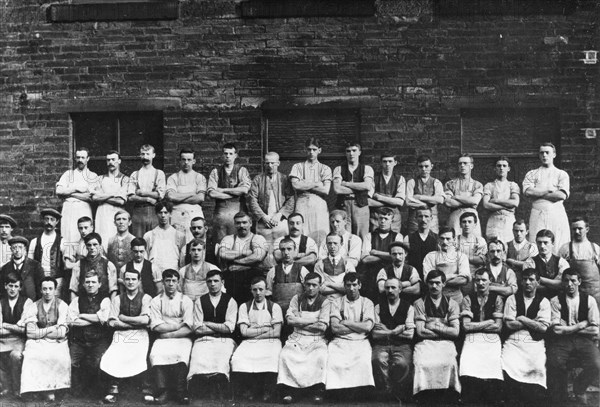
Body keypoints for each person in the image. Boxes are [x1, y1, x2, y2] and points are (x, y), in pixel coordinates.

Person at [547, 268, 600, 404]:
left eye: (573, 281)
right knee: (555, 363)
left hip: (583, 340)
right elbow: (557, 330)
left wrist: (568, 328)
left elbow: (594, 330)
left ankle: (579, 388)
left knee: (597, 364)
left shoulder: (590, 300)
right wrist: (580, 325)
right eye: (566, 281)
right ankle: (561, 396)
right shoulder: (555, 301)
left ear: (579, 282)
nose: (569, 284)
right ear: (563, 283)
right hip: (562, 341)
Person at [100, 269, 152, 404]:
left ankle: (146, 389)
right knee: (113, 353)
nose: (130, 282)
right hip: (121, 333)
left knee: (140, 354)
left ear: (139, 281)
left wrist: (123, 318)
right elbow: (112, 322)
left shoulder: (146, 298)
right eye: (127, 279)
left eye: (134, 279)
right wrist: (133, 323)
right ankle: (113, 388)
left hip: (140, 334)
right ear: (124, 281)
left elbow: (145, 320)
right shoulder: (117, 299)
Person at [277, 272, 330, 404]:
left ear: (320, 286)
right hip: (297, 337)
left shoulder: (325, 301)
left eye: (314, 285)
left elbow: (322, 326)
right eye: (308, 285)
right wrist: (312, 321)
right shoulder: (296, 299)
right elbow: (289, 320)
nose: (311, 288)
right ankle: (289, 391)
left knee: (320, 355)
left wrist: (300, 320)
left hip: (316, 338)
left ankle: (317, 391)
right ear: (304, 285)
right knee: (286, 354)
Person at [501, 268, 551, 404]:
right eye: (525, 279)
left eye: (531, 279)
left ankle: (532, 399)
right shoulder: (512, 299)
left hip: (535, 342)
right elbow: (509, 325)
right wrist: (533, 321)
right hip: (514, 340)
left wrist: (522, 318)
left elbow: (543, 328)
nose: (528, 282)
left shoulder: (544, 301)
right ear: (521, 282)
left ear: (538, 282)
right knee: (507, 361)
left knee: (538, 365)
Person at [188, 270, 237, 401]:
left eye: (216, 281)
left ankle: (220, 391)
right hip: (203, 339)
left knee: (221, 359)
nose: (213, 284)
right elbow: (198, 329)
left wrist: (208, 323)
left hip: (224, 340)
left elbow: (229, 328)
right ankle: (200, 392)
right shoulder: (200, 301)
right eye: (209, 281)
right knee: (198, 357)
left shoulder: (230, 301)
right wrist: (219, 328)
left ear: (222, 282)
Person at [231, 276, 283, 402]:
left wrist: (255, 334)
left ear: (266, 290)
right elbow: (243, 332)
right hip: (250, 340)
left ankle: (268, 390)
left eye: (261, 289)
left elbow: (276, 332)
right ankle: (250, 389)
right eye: (255, 290)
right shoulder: (245, 306)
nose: (258, 293)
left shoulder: (274, 307)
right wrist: (264, 330)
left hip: (270, 340)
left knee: (272, 356)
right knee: (239, 357)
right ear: (251, 290)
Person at [413, 270, 461, 400]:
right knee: (421, 362)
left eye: (437, 283)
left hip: (445, 343)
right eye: (431, 283)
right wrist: (445, 330)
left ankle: (449, 394)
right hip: (425, 343)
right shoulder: (419, 303)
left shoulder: (452, 304)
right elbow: (420, 331)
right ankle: (423, 394)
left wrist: (434, 326)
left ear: (444, 284)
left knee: (450, 362)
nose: (434, 286)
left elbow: (455, 332)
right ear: (427, 284)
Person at [148, 269, 194, 405]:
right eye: (167, 281)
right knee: (156, 355)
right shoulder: (157, 301)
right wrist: (175, 326)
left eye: (174, 281)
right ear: (163, 282)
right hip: (162, 337)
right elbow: (156, 326)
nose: (171, 284)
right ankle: (164, 391)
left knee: (182, 355)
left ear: (178, 282)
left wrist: (170, 334)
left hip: (180, 337)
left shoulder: (185, 300)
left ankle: (180, 391)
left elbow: (188, 326)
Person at [20, 277, 70, 402]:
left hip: (57, 342)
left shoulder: (62, 305)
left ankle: (51, 389)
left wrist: (40, 332)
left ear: (55, 290)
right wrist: (50, 329)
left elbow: (62, 332)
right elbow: (30, 333)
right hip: (38, 341)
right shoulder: (34, 306)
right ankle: (35, 389)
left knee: (58, 356)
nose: (47, 292)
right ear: (41, 290)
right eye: (44, 289)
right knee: (32, 355)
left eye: (50, 289)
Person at [459, 268, 504, 403]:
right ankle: (471, 393)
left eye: (484, 280)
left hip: (492, 338)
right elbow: (466, 326)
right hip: (473, 338)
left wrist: (477, 325)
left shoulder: (497, 299)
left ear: (489, 281)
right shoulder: (467, 299)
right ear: (474, 282)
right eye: (478, 280)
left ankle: (491, 394)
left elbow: (498, 327)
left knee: (493, 360)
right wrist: (488, 322)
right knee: (467, 358)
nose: (481, 283)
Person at [326, 272, 375, 394]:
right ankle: (337, 392)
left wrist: (347, 322)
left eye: (354, 285)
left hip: (361, 340)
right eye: (348, 285)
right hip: (340, 340)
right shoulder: (337, 302)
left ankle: (360, 392)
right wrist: (358, 326)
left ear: (360, 285)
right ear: (344, 286)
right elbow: (335, 328)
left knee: (363, 359)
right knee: (333, 357)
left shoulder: (367, 303)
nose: (351, 288)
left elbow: (368, 327)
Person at [67, 270, 111, 396]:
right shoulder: (77, 300)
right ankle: (78, 390)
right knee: (71, 362)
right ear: (84, 285)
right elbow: (72, 321)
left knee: (97, 361)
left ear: (99, 284)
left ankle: (97, 391)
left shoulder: (105, 300)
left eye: (93, 282)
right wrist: (95, 319)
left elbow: (104, 318)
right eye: (88, 282)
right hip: (79, 341)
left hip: (98, 341)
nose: (90, 285)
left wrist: (82, 315)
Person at [371, 277, 415, 401]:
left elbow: (409, 335)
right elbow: (375, 334)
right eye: (387, 288)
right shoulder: (378, 307)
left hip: (402, 346)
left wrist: (385, 330)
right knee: (378, 360)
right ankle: (386, 391)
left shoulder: (409, 308)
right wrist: (395, 331)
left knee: (402, 363)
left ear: (400, 289)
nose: (390, 290)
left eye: (393, 287)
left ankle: (398, 391)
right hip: (381, 345)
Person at [248, 152, 295, 265]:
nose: (270, 165)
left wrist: (279, 215)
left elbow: (291, 199)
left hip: (280, 221)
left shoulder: (284, 179)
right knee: (263, 251)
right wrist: (263, 217)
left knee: (281, 250)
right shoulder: (258, 179)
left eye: (273, 163)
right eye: (267, 163)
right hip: (263, 221)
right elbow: (252, 200)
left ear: (278, 163)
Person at [523, 142, 570, 250]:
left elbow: (561, 195)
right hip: (537, 213)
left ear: (554, 154)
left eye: (547, 152)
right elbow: (528, 192)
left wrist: (538, 194)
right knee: (536, 245)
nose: (544, 155)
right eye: (542, 153)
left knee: (558, 244)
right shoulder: (532, 173)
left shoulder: (561, 174)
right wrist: (547, 191)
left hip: (556, 214)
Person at [289, 138, 332, 246]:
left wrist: (305, 183)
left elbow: (325, 190)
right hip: (302, 202)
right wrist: (316, 183)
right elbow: (296, 185)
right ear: (305, 150)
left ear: (319, 150)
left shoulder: (325, 168)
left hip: (319, 203)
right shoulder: (297, 167)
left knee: (319, 233)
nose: (311, 152)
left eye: (314, 149)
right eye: (309, 149)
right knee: (302, 231)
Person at [218, 211, 268, 304]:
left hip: (253, 281)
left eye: (244, 222)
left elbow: (258, 257)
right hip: (233, 282)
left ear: (250, 223)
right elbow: (223, 254)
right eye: (238, 223)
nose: (241, 226)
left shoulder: (258, 238)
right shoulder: (228, 239)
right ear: (234, 224)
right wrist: (246, 252)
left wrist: (238, 263)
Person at [207, 143, 251, 245]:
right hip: (220, 216)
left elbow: (244, 190)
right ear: (222, 155)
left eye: (231, 153)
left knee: (239, 244)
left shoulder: (241, 170)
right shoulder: (215, 172)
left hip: (239, 214)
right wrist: (235, 193)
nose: (228, 156)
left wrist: (222, 190)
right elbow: (212, 193)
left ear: (235, 155)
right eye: (225, 153)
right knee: (220, 245)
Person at [56, 147, 98, 249]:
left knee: (82, 238)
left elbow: (90, 197)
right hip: (68, 210)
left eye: (83, 157)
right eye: (78, 157)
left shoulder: (93, 176)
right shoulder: (68, 174)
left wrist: (69, 193)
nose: (80, 160)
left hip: (83, 209)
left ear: (88, 159)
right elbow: (59, 191)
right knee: (67, 237)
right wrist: (76, 188)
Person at [359, 207, 403, 301]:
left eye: (386, 219)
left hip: (390, 274)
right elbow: (365, 259)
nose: (383, 221)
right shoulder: (369, 236)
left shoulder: (398, 236)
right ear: (377, 220)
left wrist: (375, 252)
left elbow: (398, 257)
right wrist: (388, 256)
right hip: (371, 274)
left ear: (391, 221)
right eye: (380, 218)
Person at [333, 142, 374, 240]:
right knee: (343, 235)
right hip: (343, 205)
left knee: (362, 235)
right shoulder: (338, 169)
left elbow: (367, 186)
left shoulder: (367, 169)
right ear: (345, 153)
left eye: (354, 150)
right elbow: (337, 189)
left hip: (360, 205)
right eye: (348, 151)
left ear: (359, 152)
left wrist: (346, 183)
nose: (351, 154)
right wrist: (359, 188)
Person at [0, 273, 32, 397]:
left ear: (20, 287)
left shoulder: (27, 302)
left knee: (16, 356)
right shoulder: (1, 302)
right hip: (2, 339)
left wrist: (5, 325)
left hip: (20, 340)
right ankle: (6, 386)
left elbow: (25, 330)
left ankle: (17, 388)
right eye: (10, 286)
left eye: (16, 286)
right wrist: (16, 327)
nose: (13, 289)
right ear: (5, 286)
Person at [166, 148, 207, 240]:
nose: (186, 162)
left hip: (195, 215)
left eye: (189, 160)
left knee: (197, 245)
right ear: (180, 161)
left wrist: (179, 196)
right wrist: (191, 194)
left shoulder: (199, 177)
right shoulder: (173, 178)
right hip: (177, 215)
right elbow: (171, 196)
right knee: (177, 244)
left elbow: (200, 198)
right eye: (183, 159)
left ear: (194, 161)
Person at [558, 216, 600, 305]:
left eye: (580, 228)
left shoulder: (595, 249)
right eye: (574, 229)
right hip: (572, 295)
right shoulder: (565, 249)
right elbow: (559, 274)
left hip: (594, 294)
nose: (577, 232)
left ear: (587, 229)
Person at [422, 227, 470, 304]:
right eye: (442, 238)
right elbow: (428, 279)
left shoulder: (461, 256)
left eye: (448, 239)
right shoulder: (430, 256)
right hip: (435, 297)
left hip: (456, 298)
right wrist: (451, 276)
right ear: (438, 239)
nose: (445, 242)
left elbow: (463, 280)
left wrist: (438, 281)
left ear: (454, 240)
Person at [92, 150, 129, 249]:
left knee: (116, 244)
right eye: (108, 160)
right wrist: (114, 194)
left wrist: (102, 197)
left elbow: (121, 201)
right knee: (102, 242)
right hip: (102, 214)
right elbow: (95, 197)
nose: (111, 162)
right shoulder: (100, 179)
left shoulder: (125, 179)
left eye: (113, 159)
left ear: (119, 161)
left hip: (117, 214)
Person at [127, 144, 166, 238]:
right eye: (143, 154)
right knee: (139, 241)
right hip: (138, 212)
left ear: (153, 155)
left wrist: (142, 193)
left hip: (154, 211)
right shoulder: (134, 174)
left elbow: (160, 194)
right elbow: (131, 196)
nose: (145, 157)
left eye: (148, 154)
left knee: (155, 240)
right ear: (140, 155)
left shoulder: (159, 173)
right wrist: (148, 199)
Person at [443, 154, 483, 237]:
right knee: (454, 243)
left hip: (472, 218)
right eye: (460, 163)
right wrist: (469, 201)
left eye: (465, 163)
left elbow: (475, 201)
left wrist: (457, 197)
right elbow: (448, 203)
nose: (462, 165)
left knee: (473, 243)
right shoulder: (450, 184)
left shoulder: (477, 184)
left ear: (471, 166)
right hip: (455, 217)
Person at [69, 233, 118, 301]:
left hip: (103, 305)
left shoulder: (108, 265)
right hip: (83, 304)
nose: (92, 247)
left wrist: (111, 307)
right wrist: (74, 306)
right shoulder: (79, 264)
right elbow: (73, 289)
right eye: (89, 245)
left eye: (95, 244)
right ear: (86, 246)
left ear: (100, 246)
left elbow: (113, 290)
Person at [143, 201, 186, 278]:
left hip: (173, 275)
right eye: (160, 212)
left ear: (170, 214)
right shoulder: (149, 235)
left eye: (166, 212)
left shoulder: (179, 235)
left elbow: (182, 260)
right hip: (155, 275)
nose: (163, 215)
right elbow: (145, 258)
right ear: (156, 214)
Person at [266, 238, 309, 314]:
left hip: (297, 311)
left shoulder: (302, 270)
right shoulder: (273, 271)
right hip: (278, 312)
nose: (286, 252)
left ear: (295, 250)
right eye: (283, 249)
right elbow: (269, 293)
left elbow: (309, 292)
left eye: (289, 249)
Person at [482, 156, 520, 242]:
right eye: (499, 166)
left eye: (504, 166)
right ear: (495, 168)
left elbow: (515, 203)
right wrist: (506, 207)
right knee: (494, 248)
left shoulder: (512, 185)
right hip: (493, 221)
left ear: (508, 168)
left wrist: (495, 200)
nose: (501, 168)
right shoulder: (489, 185)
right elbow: (486, 204)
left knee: (509, 248)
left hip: (509, 221)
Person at [406, 155, 444, 234]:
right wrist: (428, 203)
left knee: (432, 241)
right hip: (415, 220)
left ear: (431, 166)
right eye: (421, 166)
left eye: (426, 166)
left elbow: (440, 200)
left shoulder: (436, 182)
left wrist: (419, 197)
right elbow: (408, 202)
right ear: (417, 167)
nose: (423, 169)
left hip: (432, 221)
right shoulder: (411, 182)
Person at [369, 153, 406, 234]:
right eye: (385, 161)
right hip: (376, 217)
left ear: (395, 163)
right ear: (381, 163)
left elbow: (400, 202)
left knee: (393, 241)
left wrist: (379, 197)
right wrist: (391, 201)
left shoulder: (400, 179)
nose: (387, 164)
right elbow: (368, 201)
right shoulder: (373, 178)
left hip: (394, 218)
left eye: (390, 161)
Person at [527, 229, 569, 298]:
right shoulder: (530, 261)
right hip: (536, 299)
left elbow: (563, 284)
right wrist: (554, 285)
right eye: (539, 242)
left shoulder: (562, 262)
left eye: (545, 243)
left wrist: (539, 279)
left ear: (552, 244)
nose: (542, 246)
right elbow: (530, 284)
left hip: (558, 300)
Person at [0, 236, 44, 301]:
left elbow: (40, 288)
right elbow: (2, 290)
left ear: (24, 249)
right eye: (14, 247)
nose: (17, 250)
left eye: (20, 247)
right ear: (11, 249)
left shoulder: (35, 266)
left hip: (31, 304)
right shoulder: (5, 268)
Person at [314, 233, 356, 300]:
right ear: (326, 245)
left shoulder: (348, 264)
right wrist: (342, 288)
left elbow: (351, 287)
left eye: (335, 243)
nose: (332, 246)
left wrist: (328, 284)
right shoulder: (319, 264)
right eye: (329, 243)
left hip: (344, 301)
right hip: (325, 301)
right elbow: (320, 288)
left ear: (341, 244)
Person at [28, 208, 65, 280]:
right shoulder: (34, 242)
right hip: (39, 279)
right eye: (46, 219)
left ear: (57, 221)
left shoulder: (62, 242)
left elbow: (66, 265)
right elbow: (29, 264)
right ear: (43, 220)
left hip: (57, 279)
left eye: (52, 219)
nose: (49, 222)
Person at [456, 212, 487, 295]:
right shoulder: (455, 240)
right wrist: (473, 257)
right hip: (460, 276)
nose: (466, 225)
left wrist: (461, 256)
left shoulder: (480, 241)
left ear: (475, 224)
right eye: (464, 222)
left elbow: (482, 260)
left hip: (477, 277)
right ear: (460, 224)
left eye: (469, 222)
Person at [404, 207, 438, 280]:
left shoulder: (437, 238)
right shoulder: (408, 238)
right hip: (414, 277)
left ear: (431, 218)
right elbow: (405, 261)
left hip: (432, 278)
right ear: (416, 218)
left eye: (426, 216)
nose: (423, 220)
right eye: (420, 216)